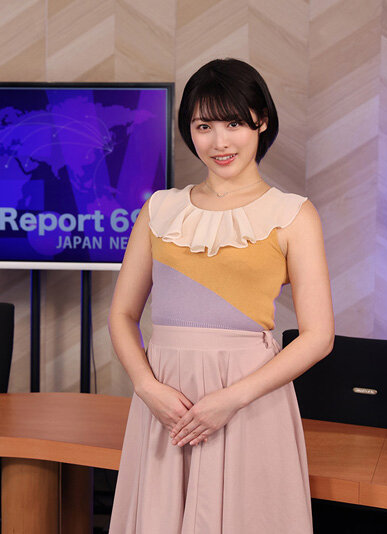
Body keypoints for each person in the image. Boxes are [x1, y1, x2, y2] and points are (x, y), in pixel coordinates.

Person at [107, 57, 335, 533]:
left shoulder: (293, 214)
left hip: (249, 400)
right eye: (204, 126)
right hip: (166, 403)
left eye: (233, 124)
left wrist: (232, 399)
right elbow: (123, 314)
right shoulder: (159, 209)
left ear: (261, 121)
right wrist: (147, 387)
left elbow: (318, 336)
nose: (219, 142)